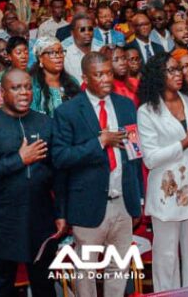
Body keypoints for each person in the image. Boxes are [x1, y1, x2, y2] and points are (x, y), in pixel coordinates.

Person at [51, 51, 144, 297]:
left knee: (119, 268)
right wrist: (100, 142)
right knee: (86, 271)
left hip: (123, 202)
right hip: (87, 204)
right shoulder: (68, 112)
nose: (106, 79)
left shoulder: (125, 105)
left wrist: (139, 198)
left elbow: (134, 154)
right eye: (99, 74)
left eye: (109, 73)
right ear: (85, 78)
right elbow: (60, 158)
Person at [0, 69, 67, 297]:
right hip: (4, 220)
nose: (23, 92)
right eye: (15, 88)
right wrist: (20, 159)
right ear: (2, 92)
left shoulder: (46, 123)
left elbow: (59, 173)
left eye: (27, 87)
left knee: (44, 283)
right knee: (2, 284)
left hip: (41, 218)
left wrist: (61, 213)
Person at [137, 53, 188, 294]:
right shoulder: (147, 111)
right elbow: (150, 158)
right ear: (157, 76)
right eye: (171, 70)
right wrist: (185, 142)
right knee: (167, 256)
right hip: (167, 190)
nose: (178, 74)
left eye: (178, 69)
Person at [30, 36, 79, 117]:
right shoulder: (32, 85)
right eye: (52, 53)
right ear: (40, 58)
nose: (59, 56)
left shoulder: (72, 82)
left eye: (61, 52)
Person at [63, 14, 95, 83]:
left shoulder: (100, 50)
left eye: (90, 29)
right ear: (72, 33)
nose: (87, 33)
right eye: (82, 30)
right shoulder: (65, 56)